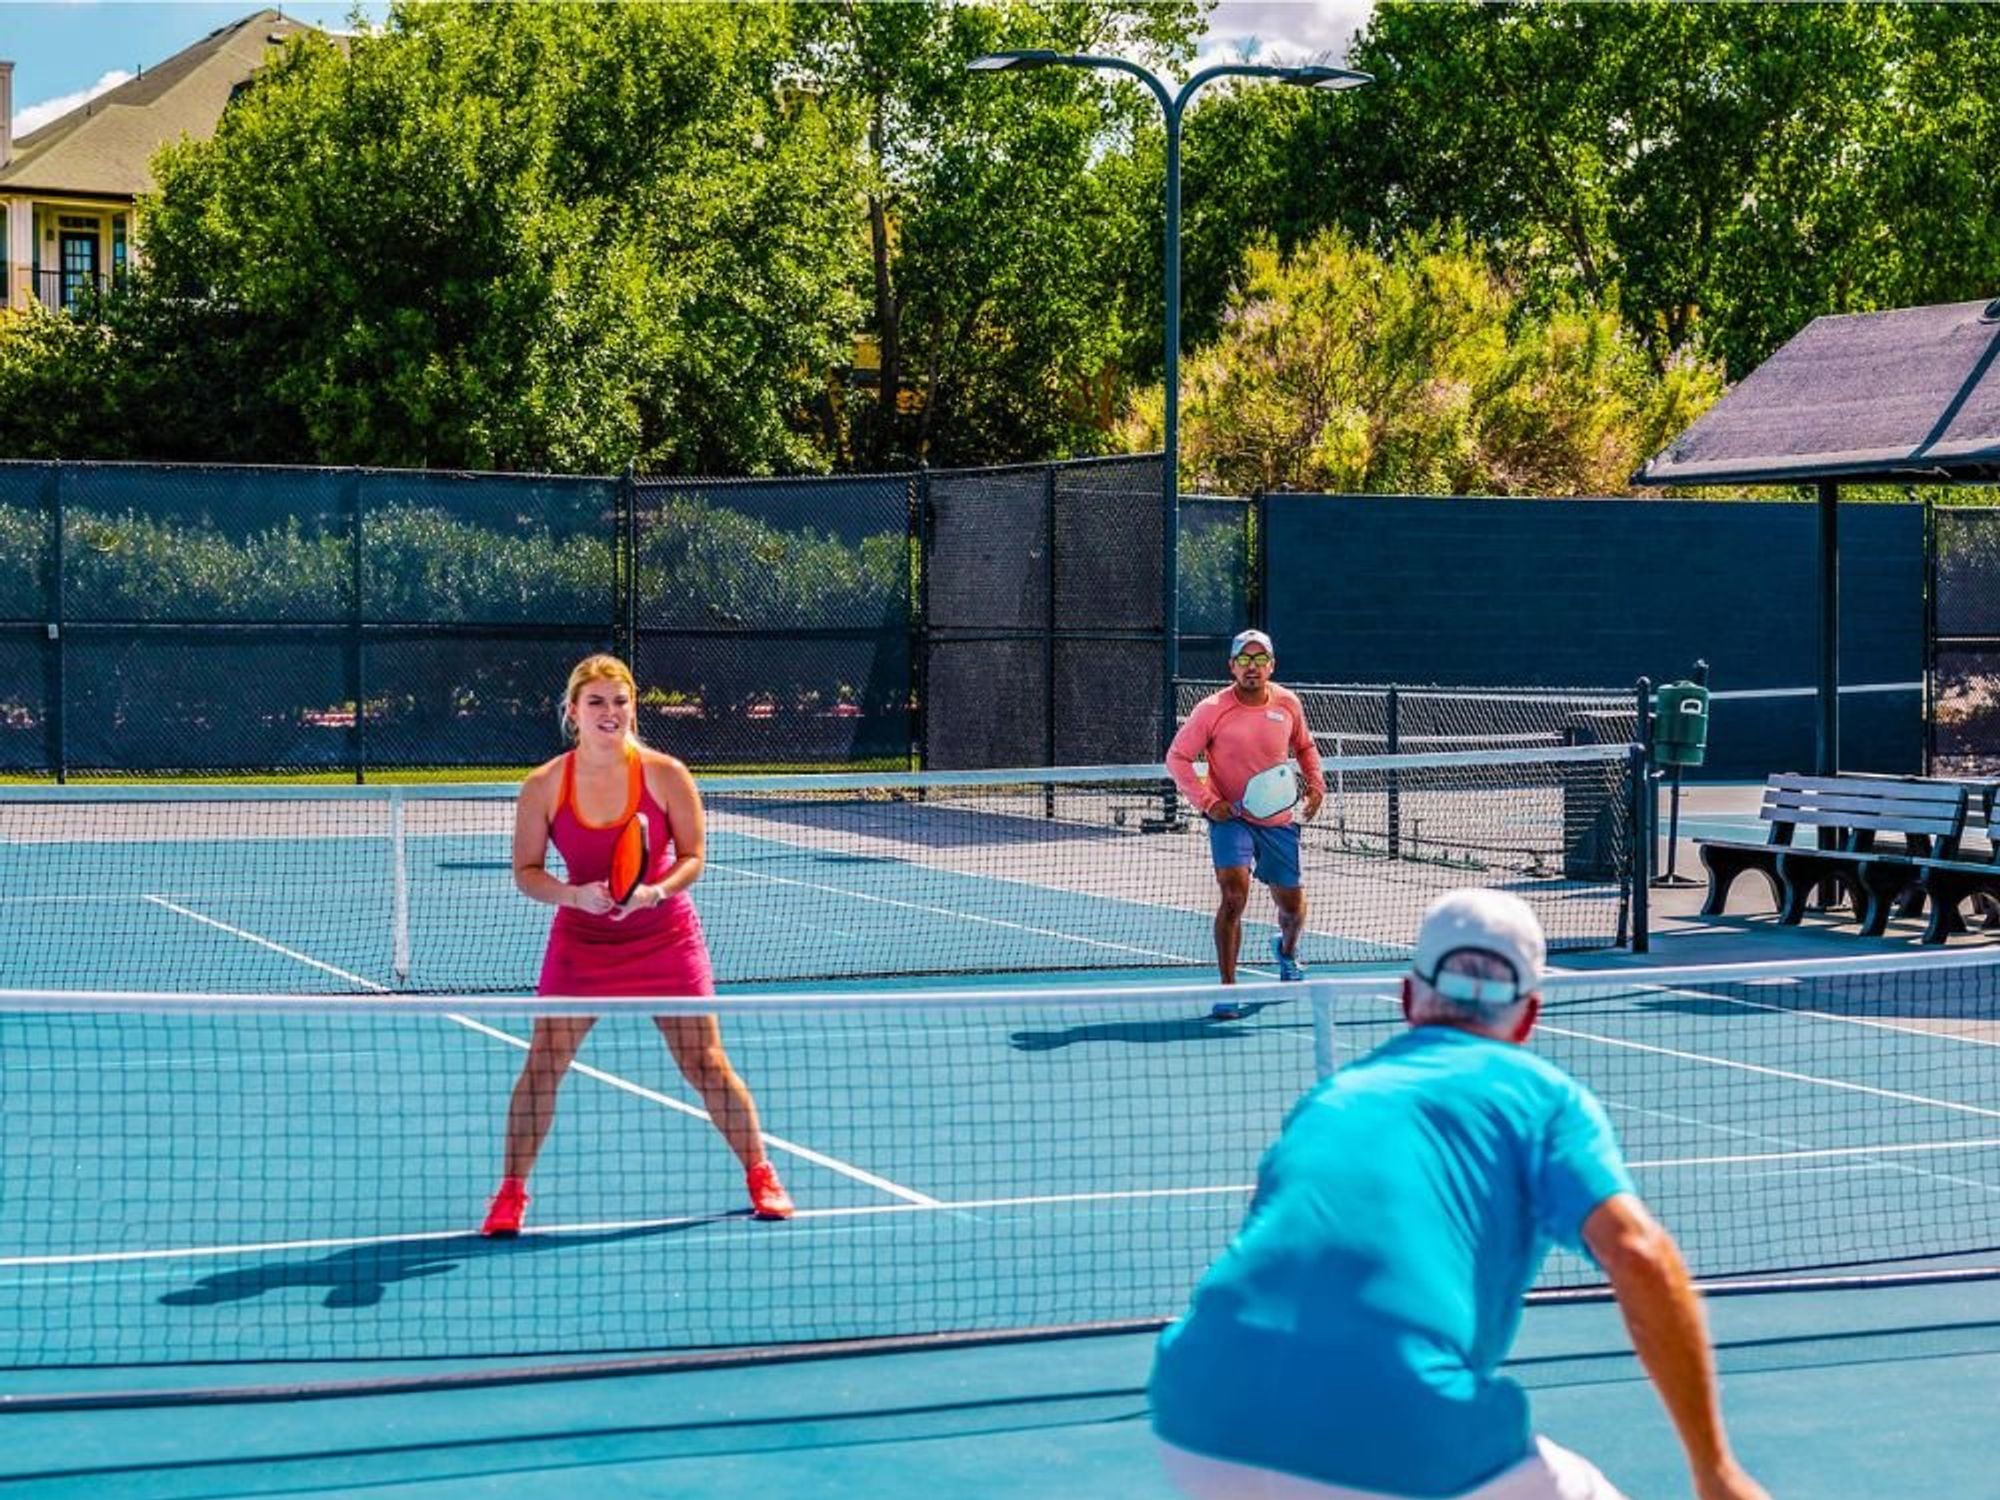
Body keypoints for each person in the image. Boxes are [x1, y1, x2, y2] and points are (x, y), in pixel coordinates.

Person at [1150, 888, 1769, 1500]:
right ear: (1528, 1017)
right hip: (1408, 1425)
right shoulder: (1544, 1100)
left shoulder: (1330, 1099)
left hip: (1196, 1409)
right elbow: (1637, 1253)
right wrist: (1714, 1468)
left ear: (1407, 998)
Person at [480, 653, 793, 1235]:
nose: (610, 712)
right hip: (582, 939)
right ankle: (511, 1193)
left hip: (665, 936)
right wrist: (575, 897)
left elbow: (695, 856)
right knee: (544, 1064)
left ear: (633, 708)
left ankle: (762, 1174)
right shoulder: (545, 785)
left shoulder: (666, 773)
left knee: (705, 1061)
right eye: (596, 702)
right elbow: (526, 872)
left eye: (620, 701)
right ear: (573, 711)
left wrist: (655, 892)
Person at [1167, 629, 1326, 1020]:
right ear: (1232, 666)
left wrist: (1316, 785)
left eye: (1259, 660)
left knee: (1291, 907)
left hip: (1277, 820)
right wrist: (1208, 801)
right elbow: (1177, 758)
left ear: (1271, 665)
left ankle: (1286, 951)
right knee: (1233, 895)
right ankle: (1227, 988)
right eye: (1244, 660)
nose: (1252, 667)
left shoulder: (1288, 703)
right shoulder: (1211, 709)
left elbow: (1304, 746)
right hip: (1230, 818)